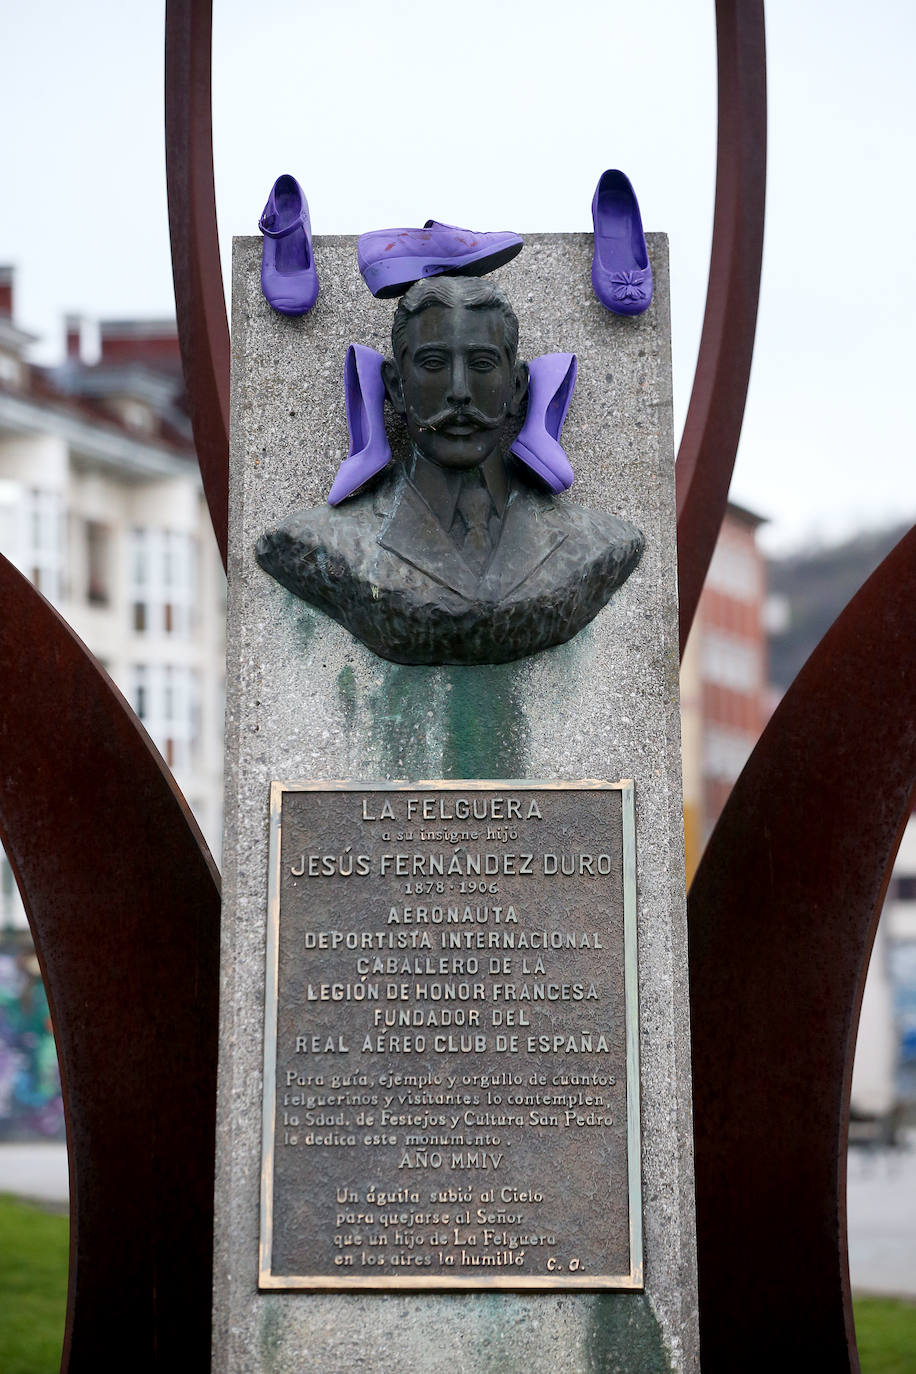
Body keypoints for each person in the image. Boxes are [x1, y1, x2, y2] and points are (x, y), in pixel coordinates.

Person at [256, 277, 643, 665]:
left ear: (518, 388)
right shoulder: (317, 543)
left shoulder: (598, 542)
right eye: (434, 364)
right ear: (395, 389)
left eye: (482, 364)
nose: (459, 391)